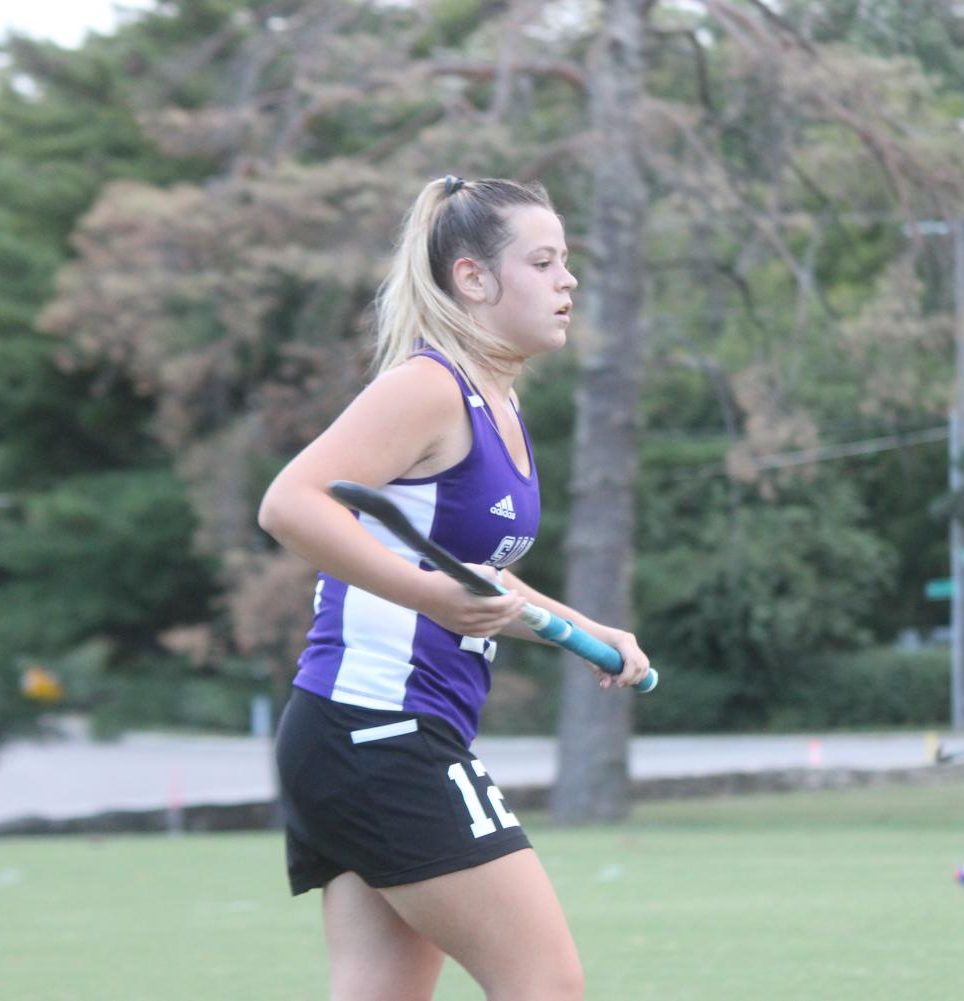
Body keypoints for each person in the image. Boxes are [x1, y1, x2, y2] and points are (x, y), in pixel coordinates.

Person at [258, 174, 651, 1001]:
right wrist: (429, 596)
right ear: (473, 278)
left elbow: (479, 576)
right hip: (379, 730)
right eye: (543, 262)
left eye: (566, 261)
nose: (567, 280)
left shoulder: (496, 401)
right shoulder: (428, 386)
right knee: (545, 983)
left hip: (361, 735)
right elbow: (290, 504)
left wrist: (588, 629)